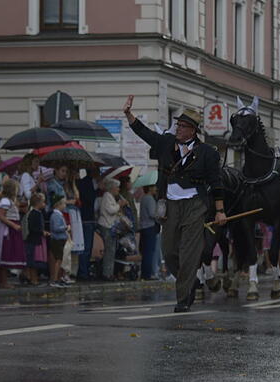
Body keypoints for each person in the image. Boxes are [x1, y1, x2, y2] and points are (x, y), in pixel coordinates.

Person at [123, 95, 226, 313]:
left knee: (189, 250)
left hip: (195, 204)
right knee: (169, 250)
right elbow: (145, 133)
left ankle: (184, 296)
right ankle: (188, 281)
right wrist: (128, 114)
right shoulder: (166, 143)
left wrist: (219, 211)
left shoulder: (208, 153)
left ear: (193, 130)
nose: (178, 128)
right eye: (178, 125)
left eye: (183, 126)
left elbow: (216, 183)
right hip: (169, 204)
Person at [0, 178, 26, 288]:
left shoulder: (10, 201)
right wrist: (14, 225)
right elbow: (1, 215)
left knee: (5, 255)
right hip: (6, 231)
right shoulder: (6, 201)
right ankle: (3, 282)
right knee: (4, 255)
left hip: (10, 230)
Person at [97, 178, 128, 281]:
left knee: (111, 250)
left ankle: (109, 272)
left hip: (110, 225)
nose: (118, 189)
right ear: (112, 188)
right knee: (109, 251)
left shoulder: (110, 197)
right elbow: (111, 210)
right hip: (106, 226)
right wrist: (119, 204)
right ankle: (107, 274)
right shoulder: (107, 196)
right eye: (117, 187)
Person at [75, 165, 99, 280]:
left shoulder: (83, 182)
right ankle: (83, 272)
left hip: (86, 218)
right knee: (86, 247)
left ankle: (83, 270)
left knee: (85, 247)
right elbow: (90, 199)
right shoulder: (87, 183)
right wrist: (97, 190)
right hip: (87, 218)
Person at [23, 192, 47, 286]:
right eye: (43, 202)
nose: (44, 204)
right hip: (34, 240)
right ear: (38, 203)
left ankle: (30, 277)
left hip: (35, 240)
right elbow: (33, 227)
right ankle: (33, 279)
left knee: (33, 261)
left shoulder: (36, 213)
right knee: (33, 262)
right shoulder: (35, 214)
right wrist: (42, 232)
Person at [138, 185, 160, 280]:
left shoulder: (143, 198)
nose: (156, 189)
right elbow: (152, 213)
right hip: (150, 227)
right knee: (149, 252)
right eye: (155, 187)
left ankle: (145, 273)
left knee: (145, 251)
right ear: (150, 188)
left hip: (144, 227)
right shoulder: (150, 199)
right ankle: (148, 274)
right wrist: (160, 215)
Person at [48, 194, 70, 288]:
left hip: (60, 239)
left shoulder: (58, 215)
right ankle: (55, 278)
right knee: (59, 259)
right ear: (59, 205)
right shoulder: (56, 215)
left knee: (61, 259)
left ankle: (59, 277)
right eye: (64, 204)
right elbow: (56, 228)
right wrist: (65, 228)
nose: (65, 206)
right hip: (57, 239)